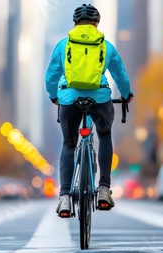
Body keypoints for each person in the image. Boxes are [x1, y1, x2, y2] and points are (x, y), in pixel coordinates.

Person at [45, 4, 133, 217]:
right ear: (96, 24)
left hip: (68, 99)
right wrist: (126, 94)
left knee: (68, 143)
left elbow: (51, 76)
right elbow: (120, 74)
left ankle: (64, 197)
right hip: (100, 98)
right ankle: (103, 189)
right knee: (103, 135)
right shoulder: (106, 46)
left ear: (75, 24)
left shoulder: (63, 45)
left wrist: (54, 96)